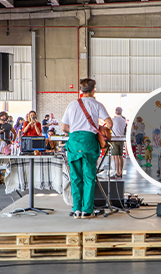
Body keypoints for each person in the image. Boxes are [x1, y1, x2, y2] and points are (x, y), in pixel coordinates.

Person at [62, 78, 112, 219]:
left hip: (74, 142)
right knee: (89, 177)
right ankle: (87, 211)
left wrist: (77, 130)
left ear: (81, 90)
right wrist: (102, 129)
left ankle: (76, 210)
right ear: (93, 89)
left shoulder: (72, 105)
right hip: (89, 142)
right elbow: (109, 123)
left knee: (75, 177)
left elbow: (64, 128)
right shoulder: (97, 105)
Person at [111, 107, 126, 179]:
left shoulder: (113, 120)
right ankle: (121, 172)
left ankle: (117, 172)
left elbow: (109, 127)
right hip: (121, 139)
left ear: (115, 112)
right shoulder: (123, 120)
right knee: (120, 156)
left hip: (114, 139)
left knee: (116, 156)